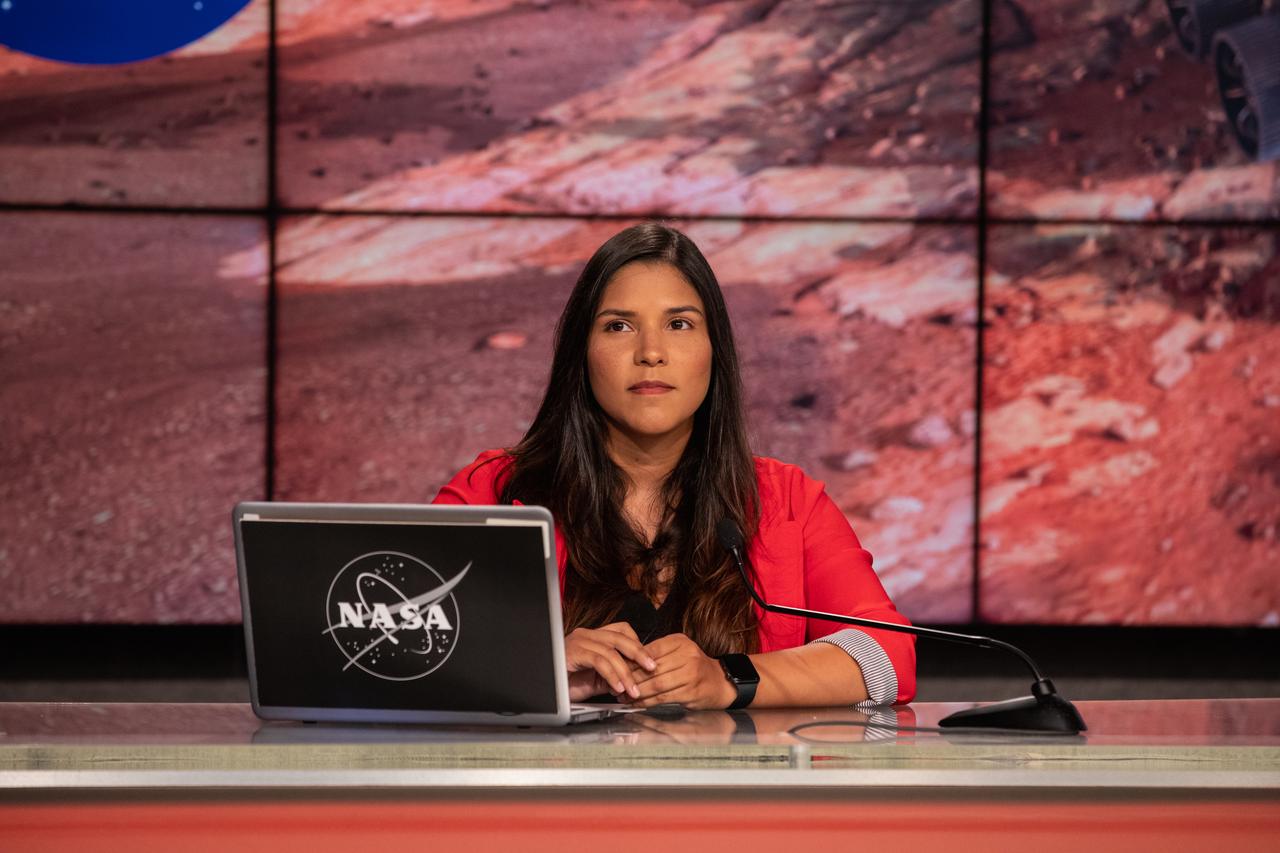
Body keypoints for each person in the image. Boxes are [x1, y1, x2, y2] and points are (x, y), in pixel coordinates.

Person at [434, 223, 915, 710]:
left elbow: (888, 658)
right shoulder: (495, 490)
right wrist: (540, 666)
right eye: (619, 326)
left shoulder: (788, 500)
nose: (651, 353)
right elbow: (398, 653)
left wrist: (727, 679)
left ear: (714, 349)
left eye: (679, 324)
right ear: (582, 352)